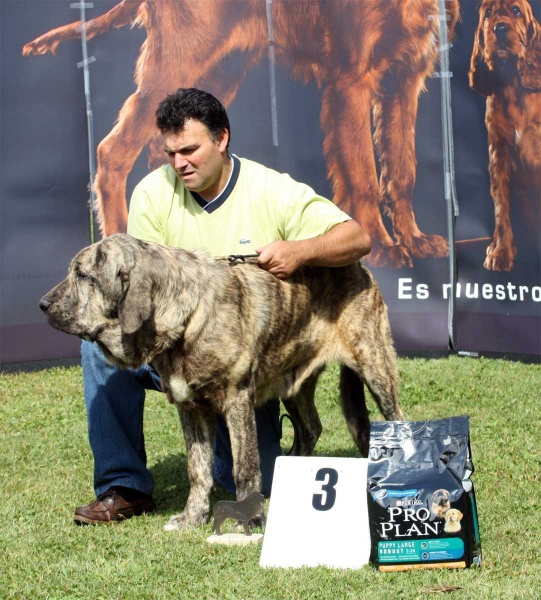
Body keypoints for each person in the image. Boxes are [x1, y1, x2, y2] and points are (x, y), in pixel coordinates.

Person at [75, 88, 371, 524]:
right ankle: (124, 487)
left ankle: (241, 468)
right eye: (171, 153)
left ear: (222, 139)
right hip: (168, 349)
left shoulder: (270, 189)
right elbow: (139, 295)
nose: (180, 164)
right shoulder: (153, 194)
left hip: (241, 363)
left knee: (251, 482)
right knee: (96, 350)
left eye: (191, 150)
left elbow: (357, 238)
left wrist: (300, 250)